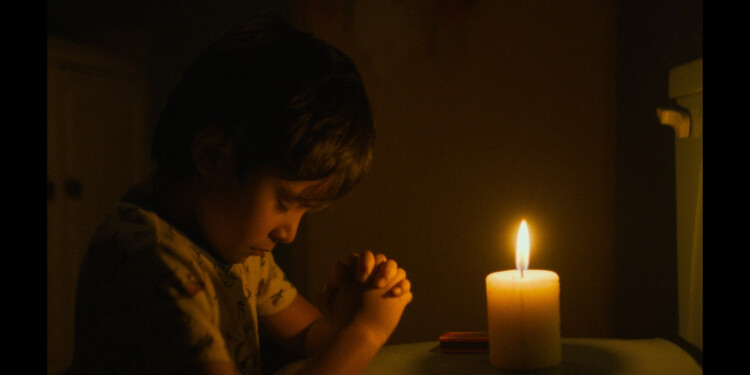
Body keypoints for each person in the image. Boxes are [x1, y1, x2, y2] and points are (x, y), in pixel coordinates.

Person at [70, 14, 412, 375]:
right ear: (211, 154)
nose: (288, 233)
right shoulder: (153, 260)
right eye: (283, 203)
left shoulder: (230, 245)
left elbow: (308, 336)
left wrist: (348, 318)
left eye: (302, 212)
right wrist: (366, 332)